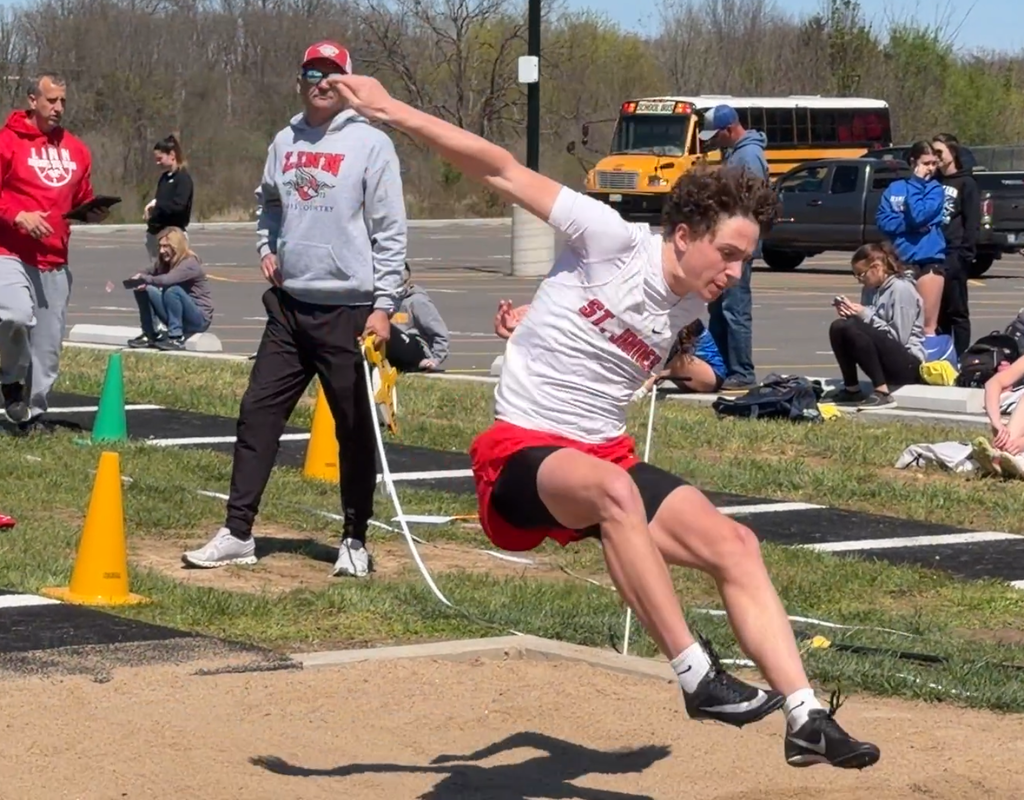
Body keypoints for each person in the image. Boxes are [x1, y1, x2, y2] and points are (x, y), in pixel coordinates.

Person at [329, 72, 880, 769]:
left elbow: (693, 370)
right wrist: (389, 110)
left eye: (748, 258)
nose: (738, 272)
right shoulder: (610, 238)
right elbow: (498, 168)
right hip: (522, 457)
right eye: (731, 254)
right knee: (615, 494)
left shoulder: (692, 312)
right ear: (683, 235)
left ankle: (804, 718)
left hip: (603, 458)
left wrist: (676, 365)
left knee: (735, 543)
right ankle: (694, 675)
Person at [181, 41, 407, 578]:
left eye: (332, 74)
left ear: (350, 83)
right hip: (289, 309)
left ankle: (354, 540)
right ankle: (238, 532)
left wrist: (384, 306)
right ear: (299, 79)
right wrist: (267, 248)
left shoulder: (372, 145)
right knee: (257, 413)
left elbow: (391, 230)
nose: (321, 82)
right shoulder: (284, 141)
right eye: (312, 72)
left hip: (349, 310)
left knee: (354, 429)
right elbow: (270, 203)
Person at [0, 72, 108, 432]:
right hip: (10, 251)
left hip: (55, 259)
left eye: (63, 101)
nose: (58, 107)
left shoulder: (76, 149)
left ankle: (32, 415)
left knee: (47, 348)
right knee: (14, 316)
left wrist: (92, 211)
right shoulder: (8, 141)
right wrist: (17, 216)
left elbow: (81, 198)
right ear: (33, 100)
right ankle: (10, 380)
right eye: (51, 100)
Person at [698, 104, 768, 391]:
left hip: (738, 248)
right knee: (718, 305)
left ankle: (742, 372)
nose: (714, 141)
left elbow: (750, 203)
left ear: (730, 129)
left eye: (717, 135)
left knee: (734, 308)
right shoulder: (734, 153)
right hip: (725, 245)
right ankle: (720, 367)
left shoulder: (749, 155)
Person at [827, 242, 926, 408]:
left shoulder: (901, 289)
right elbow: (865, 329)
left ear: (877, 267)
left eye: (862, 274)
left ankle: (883, 393)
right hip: (882, 356)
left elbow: (899, 338)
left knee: (851, 326)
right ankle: (852, 389)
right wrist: (852, 314)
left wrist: (864, 315)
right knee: (840, 327)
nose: (860, 280)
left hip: (907, 363)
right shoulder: (870, 289)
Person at [875, 141, 946, 336]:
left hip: (927, 261)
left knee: (925, 326)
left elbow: (919, 215)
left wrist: (917, 184)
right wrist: (910, 226)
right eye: (926, 163)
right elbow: (883, 221)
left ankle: (927, 363)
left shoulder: (935, 190)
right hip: (900, 260)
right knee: (896, 323)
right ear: (914, 162)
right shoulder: (895, 188)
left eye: (934, 163)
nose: (931, 168)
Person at [126, 226, 213, 350]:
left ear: (177, 247)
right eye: (160, 246)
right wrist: (137, 279)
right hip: (178, 314)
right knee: (144, 289)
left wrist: (146, 279)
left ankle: (176, 338)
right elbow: (146, 271)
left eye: (166, 246)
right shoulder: (165, 262)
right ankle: (150, 334)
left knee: (172, 290)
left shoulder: (190, 263)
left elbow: (167, 280)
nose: (161, 251)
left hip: (198, 319)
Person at [932, 134, 978, 358]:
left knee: (957, 311)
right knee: (936, 311)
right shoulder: (934, 182)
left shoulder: (966, 183)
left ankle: (960, 358)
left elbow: (972, 222)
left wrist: (964, 255)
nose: (936, 157)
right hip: (934, 255)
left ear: (953, 153)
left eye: (940, 152)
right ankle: (942, 356)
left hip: (955, 254)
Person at [387, 262, 450, 372]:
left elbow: (440, 333)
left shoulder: (417, 301)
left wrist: (434, 360)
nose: (400, 287)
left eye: (404, 282)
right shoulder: (383, 302)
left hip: (414, 349)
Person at [143, 134, 194, 265]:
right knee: (157, 274)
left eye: (160, 158)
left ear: (172, 155)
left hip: (174, 236)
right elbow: (161, 204)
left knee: (174, 275)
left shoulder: (183, 179)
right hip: (156, 234)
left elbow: (179, 207)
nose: (157, 162)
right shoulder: (164, 178)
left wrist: (157, 205)